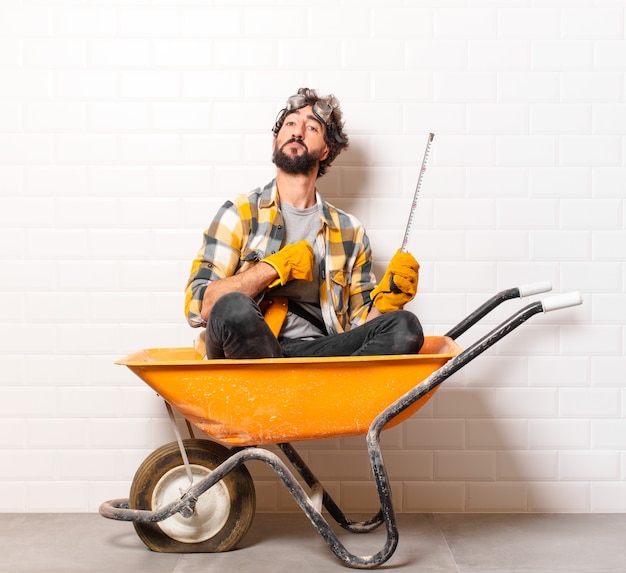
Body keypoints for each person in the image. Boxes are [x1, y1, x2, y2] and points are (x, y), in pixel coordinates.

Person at [185, 87, 424, 360]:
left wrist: (388, 302)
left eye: (311, 127)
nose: (297, 131)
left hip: (317, 355)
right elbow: (201, 306)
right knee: (233, 307)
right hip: (247, 352)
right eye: (290, 123)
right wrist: (273, 268)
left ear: (325, 150)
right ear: (275, 141)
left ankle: (314, 390)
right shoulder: (239, 214)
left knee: (405, 326)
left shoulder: (351, 233)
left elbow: (362, 331)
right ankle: (295, 390)